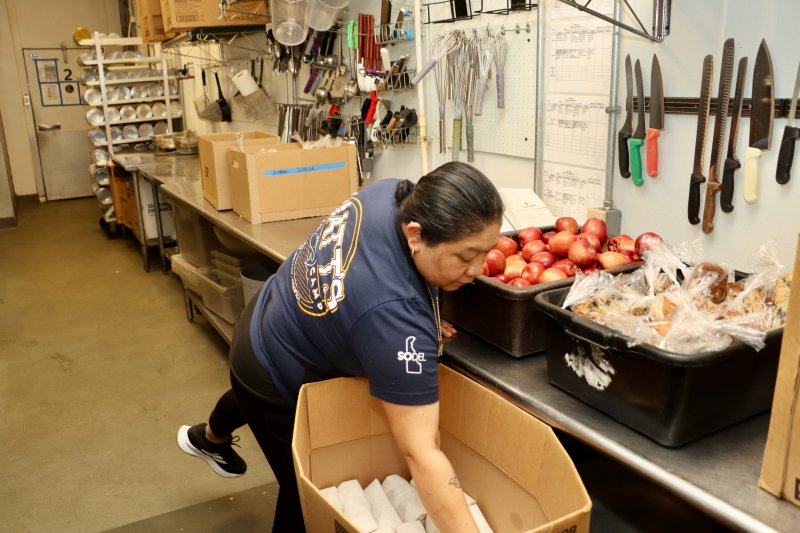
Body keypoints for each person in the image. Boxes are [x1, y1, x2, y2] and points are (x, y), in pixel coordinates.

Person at [178, 161, 503, 532]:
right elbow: (421, 450)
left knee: (250, 390)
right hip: (272, 367)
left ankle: (208, 438)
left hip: (272, 312)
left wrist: (421, 313)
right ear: (416, 234)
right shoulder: (393, 316)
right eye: (465, 256)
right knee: (304, 494)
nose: (478, 269)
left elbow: (385, 284)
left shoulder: (393, 193)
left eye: (485, 252)